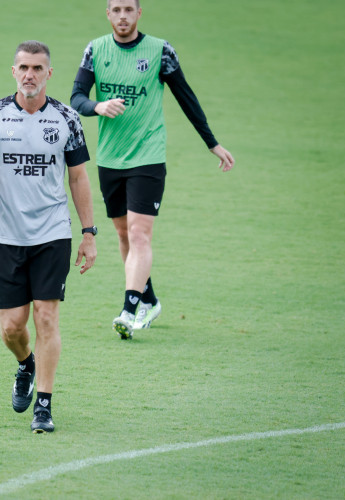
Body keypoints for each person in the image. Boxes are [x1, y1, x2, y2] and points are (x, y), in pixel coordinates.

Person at [71, 0, 235, 340]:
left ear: (139, 13)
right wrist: (97, 106)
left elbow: (185, 97)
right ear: (108, 13)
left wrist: (212, 143)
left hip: (148, 156)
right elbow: (76, 98)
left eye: (129, 9)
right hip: (110, 159)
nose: (122, 16)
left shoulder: (161, 51)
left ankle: (130, 310)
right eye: (116, 10)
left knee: (140, 233)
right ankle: (150, 300)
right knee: (123, 235)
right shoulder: (95, 50)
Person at [0, 40, 97, 433]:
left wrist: (89, 233)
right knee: (12, 327)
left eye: (38, 68)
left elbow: (78, 177)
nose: (30, 75)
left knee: (46, 316)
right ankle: (26, 364)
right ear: (13, 72)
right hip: (6, 235)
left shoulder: (67, 118)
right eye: (23, 67)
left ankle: (44, 404)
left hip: (52, 233)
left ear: (49, 74)